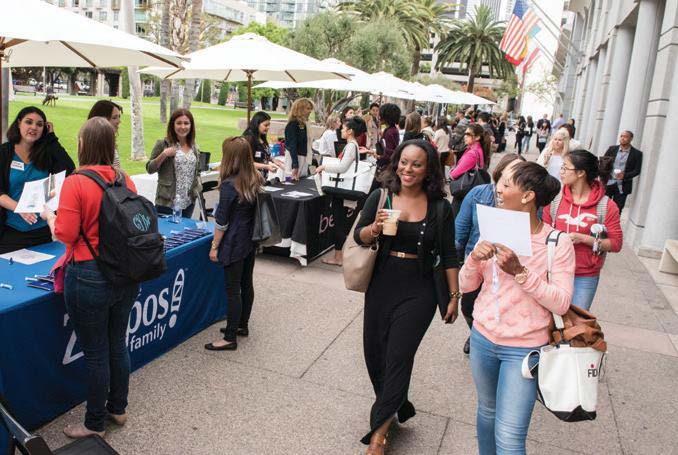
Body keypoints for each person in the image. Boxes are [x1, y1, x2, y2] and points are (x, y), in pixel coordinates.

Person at [461, 161, 575, 455]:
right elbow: (466, 287)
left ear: (528, 196)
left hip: (524, 351)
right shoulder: (494, 229)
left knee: (510, 437)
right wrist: (474, 258)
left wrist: (521, 272)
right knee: (486, 413)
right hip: (483, 339)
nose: (497, 188)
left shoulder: (557, 243)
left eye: (507, 184)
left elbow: (561, 302)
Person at [353, 139, 460, 453]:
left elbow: (449, 254)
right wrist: (374, 228)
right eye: (403, 162)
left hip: (420, 290)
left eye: (416, 164)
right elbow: (359, 236)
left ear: (428, 170)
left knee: (398, 356)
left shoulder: (440, 207)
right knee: (375, 355)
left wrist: (454, 295)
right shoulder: (381, 196)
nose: (408, 169)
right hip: (382, 284)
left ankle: (379, 434)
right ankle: (396, 403)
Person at [41, 117, 139, 438]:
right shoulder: (126, 179)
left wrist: (48, 217)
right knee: (117, 345)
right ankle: (119, 409)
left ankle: (94, 423)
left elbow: (66, 236)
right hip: (125, 274)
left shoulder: (77, 182)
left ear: (84, 145)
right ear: (111, 146)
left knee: (96, 353)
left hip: (89, 276)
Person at [455, 154, 525, 355]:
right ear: (500, 173)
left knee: (500, 308)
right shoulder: (478, 194)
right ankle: (476, 331)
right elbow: (460, 230)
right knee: (468, 307)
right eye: (511, 172)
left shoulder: (527, 200)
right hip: (477, 263)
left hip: (508, 266)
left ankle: (489, 339)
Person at [543, 150, 623, 310]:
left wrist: (584, 239)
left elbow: (616, 243)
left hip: (585, 276)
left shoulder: (606, 206)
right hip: (553, 271)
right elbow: (543, 232)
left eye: (566, 168)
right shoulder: (554, 199)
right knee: (547, 324)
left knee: (576, 325)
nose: (561, 171)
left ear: (580, 173)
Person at [205, 137, 263, 351]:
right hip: (250, 240)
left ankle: (230, 337)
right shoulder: (255, 178)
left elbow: (222, 221)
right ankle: (241, 325)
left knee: (233, 289)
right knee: (246, 283)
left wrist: (214, 246)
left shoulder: (230, 185)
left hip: (234, 241)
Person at [0, 106, 75, 254]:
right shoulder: (5, 152)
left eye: (40, 124)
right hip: (11, 231)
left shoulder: (47, 153)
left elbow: (69, 170)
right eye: (29, 122)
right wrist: (20, 208)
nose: (34, 127)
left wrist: (51, 138)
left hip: (41, 230)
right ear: (19, 123)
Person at [315, 117, 368, 267]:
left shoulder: (351, 146)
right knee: (340, 222)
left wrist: (324, 168)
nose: (341, 131)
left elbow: (343, 167)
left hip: (341, 191)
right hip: (343, 190)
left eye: (344, 129)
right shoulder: (352, 145)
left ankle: (338, 256)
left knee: (338, 222)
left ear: (350, 131)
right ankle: (338, 254)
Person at [146, 108, 202, 218]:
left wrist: (196, 191)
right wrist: (164, 155)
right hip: (167, 202)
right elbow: (149, 169)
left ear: (191, 126)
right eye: (179, 123)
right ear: (173, 125)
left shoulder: (194, 147)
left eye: (186, 123)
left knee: (183, 234)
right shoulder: (163, 144)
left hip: (188, 203)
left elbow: (196, 173)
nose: (183, 127)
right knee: (165, 234)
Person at [450, 123, 490, 216]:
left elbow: (454, 174)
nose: (465, 137)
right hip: (471, 191)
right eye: (465, 134)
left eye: (468, 134)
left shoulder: (472, 153)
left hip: (463, 193)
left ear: (477, 137)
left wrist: (452, 170)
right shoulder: (478, 149)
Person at [604, 130, 643, 214]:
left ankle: (612, 226)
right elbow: (603, 163)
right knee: (603, 207)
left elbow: (637, 170)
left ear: (631, 138)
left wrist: (624, 175)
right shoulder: (612, 149)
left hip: (623, 186)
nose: (622, 138)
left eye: (625, 136)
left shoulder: (637, 154)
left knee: (617, 210)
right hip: (608, 183)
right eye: (621, 136)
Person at [243, 111, 284, 178]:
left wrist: (273, 160)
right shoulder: (249, 139)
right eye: (265, 125)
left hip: (262, 179)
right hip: (251, 180)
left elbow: (262, 153)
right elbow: (247, 162)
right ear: (257, 124)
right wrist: (266, 166)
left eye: (269, 125)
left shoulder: (261, 137)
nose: (268, 128)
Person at [284, 98, 314, 181]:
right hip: (294, 158)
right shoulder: (293, 124)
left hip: (303, 157)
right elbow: (292, 146)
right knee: (291, 183)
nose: (310, 111)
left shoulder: (304, 124)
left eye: (311, 109)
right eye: (308, 108)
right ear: (300, 109)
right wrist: (295, 165)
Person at [87, 100, 123, 168]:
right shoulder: (97, 147)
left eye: (119, 117)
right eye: (114, 118)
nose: (119, 121)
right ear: (101, 121)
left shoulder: (109, 142)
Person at [376, 103, 401, 171]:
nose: (379, 117)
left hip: (387, 168)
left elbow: (389, 154)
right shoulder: (392, 129)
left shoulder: (390, 132)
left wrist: (377, 156)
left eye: (381, 115)